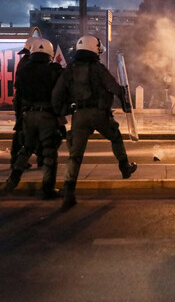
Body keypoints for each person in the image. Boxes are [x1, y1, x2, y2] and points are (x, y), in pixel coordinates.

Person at [52, 35, 137, 210]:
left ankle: (68, 192)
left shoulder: (69, 70)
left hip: (79, 115)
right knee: (115, 137)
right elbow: (114, 88)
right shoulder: (98, 68)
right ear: (94, 48)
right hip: (100, 114)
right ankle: (124, 168)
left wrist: (59, 114)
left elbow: (57, 94)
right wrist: (126, 103)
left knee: (75, 156)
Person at [4, 39, 64, 199]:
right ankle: (48, 189)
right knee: (50, 153)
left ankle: (13, 178)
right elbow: (59, 94)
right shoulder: (54, 70)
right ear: (49, 53)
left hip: (28, 114)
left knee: (26, 148)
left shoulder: (23, 69)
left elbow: (19, 94)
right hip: (47, 115)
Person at [9, 37, 43, 172]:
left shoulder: (24, 62)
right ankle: (18, 160)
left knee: (23, 130)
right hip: (25, 102)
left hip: (23, 101)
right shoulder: (28, 64)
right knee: (24, 130)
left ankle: (17, 160)